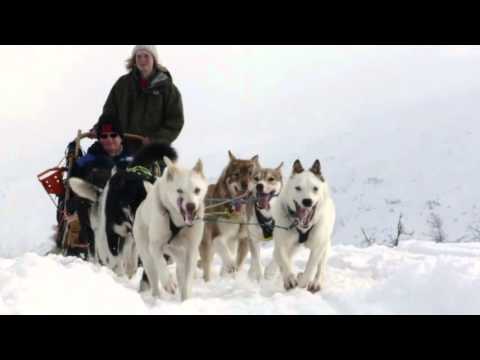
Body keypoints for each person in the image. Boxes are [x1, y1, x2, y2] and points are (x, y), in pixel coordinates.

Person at [90, 45, 184, 155]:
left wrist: (156, 140)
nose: (142, 60)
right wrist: (99, 129)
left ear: (154, 59)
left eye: (146, 56)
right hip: (120, 149)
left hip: (151, 153)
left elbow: (175, 121)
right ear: (134, 60)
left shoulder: (168, 89)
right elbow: (109, 113)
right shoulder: (122, 84)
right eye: (138, 56)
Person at [63, 114, 134, 258]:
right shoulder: (91, 157)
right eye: (104, 136)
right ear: (99, 138)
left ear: (121, 137)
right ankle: (89, 245)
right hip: (92, 204)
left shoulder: (132, 157)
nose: (109, 140)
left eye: (113, 135)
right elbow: (74, 179)